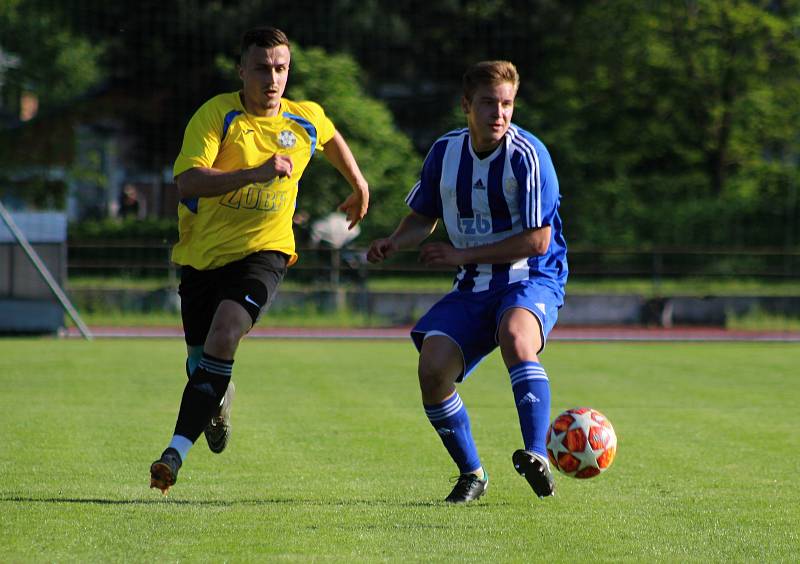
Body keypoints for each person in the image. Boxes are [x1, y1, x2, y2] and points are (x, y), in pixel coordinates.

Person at [149, 26, 370, 494]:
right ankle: (219, 398)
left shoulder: (302, 119)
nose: (273, 78)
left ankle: (174, 454)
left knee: (226, 332)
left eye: (281, 68)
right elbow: (187, 182)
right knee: (201, 365)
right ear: (241, 70)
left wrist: (359, 184)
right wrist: (255, 172)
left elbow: (328, 136)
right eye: (262, 68)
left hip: (265, 253)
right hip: (202, 257)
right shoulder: (217, 115)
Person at [367, 60, 567, 503]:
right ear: (466, 105)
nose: (499, 113)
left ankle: (538, 455)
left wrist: (460, 254)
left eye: (507, 104)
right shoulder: (445, 152)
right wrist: (395, 242)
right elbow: (424, 216)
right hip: (473, 284)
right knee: (433, 368)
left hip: (530, 278)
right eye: (489, 103)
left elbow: (538, 241)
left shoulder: (527, 156)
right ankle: (472, 473)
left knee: (517, 336)